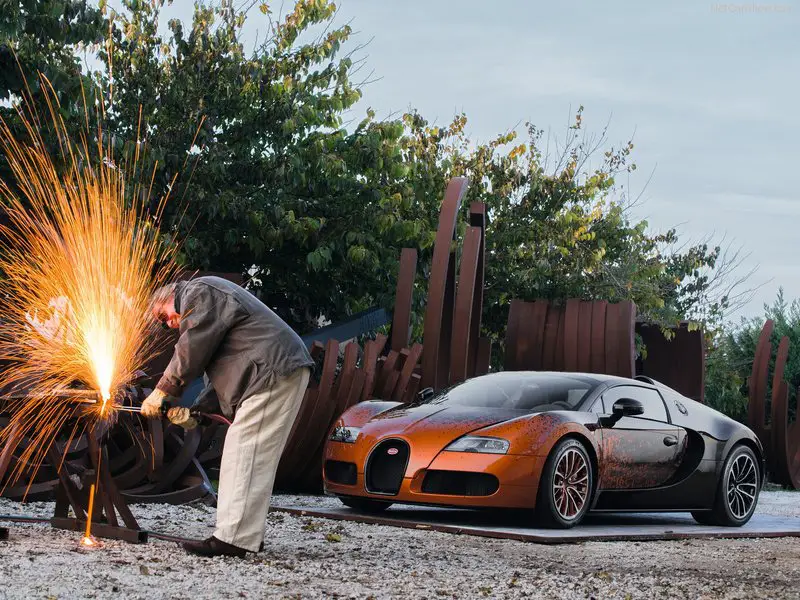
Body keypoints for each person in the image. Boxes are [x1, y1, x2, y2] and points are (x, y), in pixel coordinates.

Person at [141, 275, 313, 558]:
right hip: (271, 371)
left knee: (246, 452)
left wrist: (163, 391)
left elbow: (191, 347)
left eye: (164, 316)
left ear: (169, 298)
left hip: (271, 371)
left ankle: (233, 540)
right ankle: (242, 536)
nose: (169, 324)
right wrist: (197, 412)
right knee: (244, 454)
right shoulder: (208, 303)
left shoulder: (198, 291)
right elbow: (221, 374)